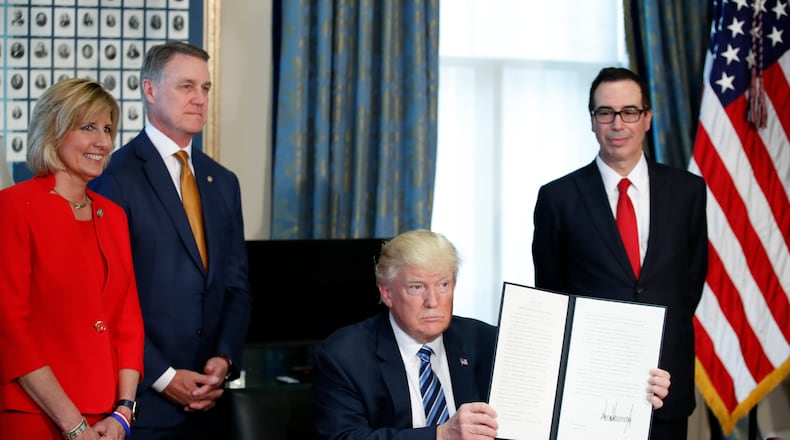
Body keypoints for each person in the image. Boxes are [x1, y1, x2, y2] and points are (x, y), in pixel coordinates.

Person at [312, 229, 672, 439]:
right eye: (417, 287)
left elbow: (562, 392)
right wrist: (441, 435)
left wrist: (633, 390)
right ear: (387, 293)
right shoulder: (345, 355)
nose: (433, 300)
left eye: (443, 284)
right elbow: (345, 438)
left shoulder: (485, 340)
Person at [532, 66, 708, 440]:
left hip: (664, 386)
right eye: (605, 113)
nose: (617, 124)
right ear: (592, 120)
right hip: (590, 393)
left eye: (629, 112)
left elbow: (690, 285)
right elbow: (552, 296)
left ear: (647, 118)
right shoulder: (557, 198)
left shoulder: (688, 192)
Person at [89, 40, 252, 439]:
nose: (200, 99)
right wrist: (163, 377)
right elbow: (105, 299)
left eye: (206, 88)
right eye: (186, 86)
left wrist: (224, 359)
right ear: (150, 89)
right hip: (142, 404)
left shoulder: (223, 182)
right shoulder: (113, 177)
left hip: (211, 403)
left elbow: (236, 286)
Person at [0, 78, 144, 439]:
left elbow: (128, 322)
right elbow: (11, 329)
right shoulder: (14, 208)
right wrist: (74, 425)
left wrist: (123, 413)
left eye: (108, 129)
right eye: (88, 127)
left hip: (107, 419)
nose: (104, 142)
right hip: (35, 415)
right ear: (54, 131)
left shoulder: (114, 215)